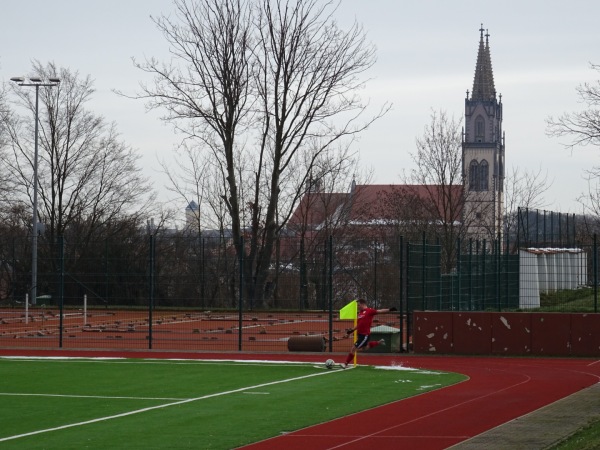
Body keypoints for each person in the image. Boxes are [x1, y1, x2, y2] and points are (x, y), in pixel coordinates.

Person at [341, 298, 397, 369]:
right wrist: (351, 331)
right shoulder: (360, 313)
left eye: (358, 305)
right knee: (365, 348)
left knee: (353, 348)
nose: (358, 307)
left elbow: (380, 311)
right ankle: (379, 342)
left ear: (362, 304)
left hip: (364, 335)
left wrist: (389, 310)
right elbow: (359, 325)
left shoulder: (369, 311)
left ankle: (345, 364)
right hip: (360, 334)